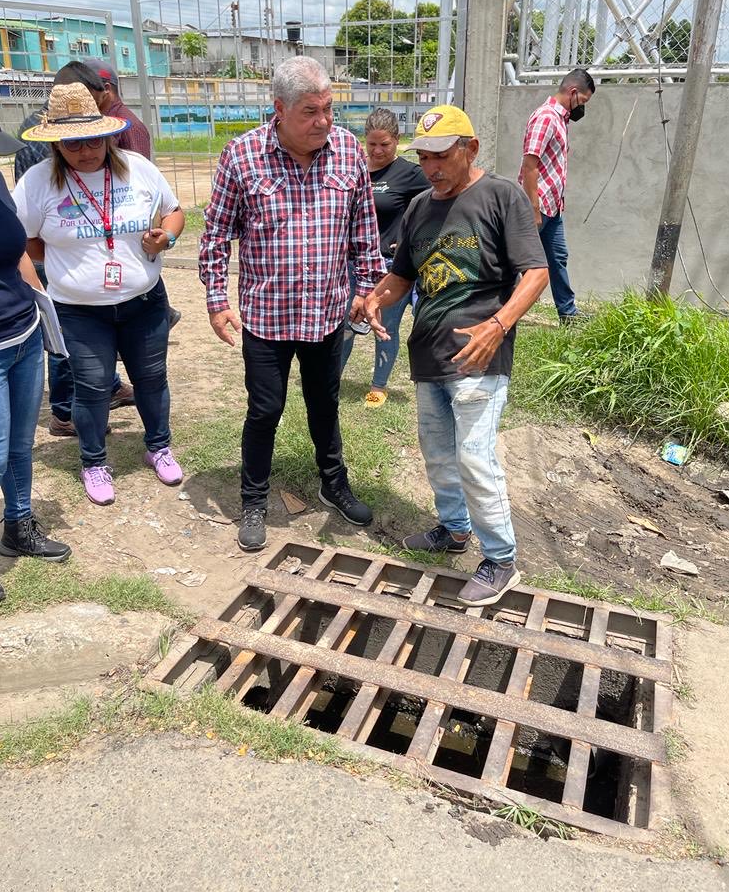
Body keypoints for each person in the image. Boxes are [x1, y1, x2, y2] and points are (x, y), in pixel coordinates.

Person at [362, 105, 549, 608]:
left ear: (471, 149)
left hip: (478, 355)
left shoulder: (501, 196)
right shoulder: (420, 206)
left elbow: (535, 273)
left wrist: (498, 325)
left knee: (474, 455)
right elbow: (403, 274)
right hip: (428, 352)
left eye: (441, 156)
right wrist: (377, 297)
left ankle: (501, 558)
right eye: (423, 158)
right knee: (440, 452)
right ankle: (453, 529)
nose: (431, 168)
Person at [200, 56, 386, 552]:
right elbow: (216, 235)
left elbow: (363, 232)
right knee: (266, 409)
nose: (323, 121)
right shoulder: (242, 156)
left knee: (325, 404)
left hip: (327, 312)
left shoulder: (348, 151)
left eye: (328, 109)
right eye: (310, 112)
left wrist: (367, 290)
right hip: (267, 315)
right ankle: (254, 498)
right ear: (278, 109)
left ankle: (333, 483)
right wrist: (218, 300)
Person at [13, 83, 185, 507]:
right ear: (56, 144)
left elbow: (173, 211)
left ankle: (158, 446)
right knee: (90, 388)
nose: (85, 151)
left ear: (107, 135)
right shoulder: (37, 183)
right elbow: (25, 239)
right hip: (79, 312)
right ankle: (93, 462)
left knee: (151, 378)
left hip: (144, 302)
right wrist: (62, 262)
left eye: (92, 140)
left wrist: (167, 238)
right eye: (72, 144)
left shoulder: (137, 167)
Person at [0, 86, 71, 608]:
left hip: (22, 337)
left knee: (18, 448)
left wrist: (43, 308)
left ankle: (18, 525)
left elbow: (15, 253)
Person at [14, 61, 136, 437]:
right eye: (72, 143)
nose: (84, 150)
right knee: (67, 343)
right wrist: (49, 256)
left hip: (89, 260)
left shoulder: (111, 160)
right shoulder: (38, 161)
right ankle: (66, 411)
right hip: (59, 257)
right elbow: (25, 228)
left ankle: (101, 389)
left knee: (86, 343)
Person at [82, 58, 182, 332]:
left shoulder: (128, 125)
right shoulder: (102, 122)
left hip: (128, 227)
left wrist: (158, 233)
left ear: (105, 89)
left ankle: (159, 314)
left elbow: (144, 187)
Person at [341, 108, 428, 408]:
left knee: (385, 328)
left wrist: (409, 243)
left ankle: (379, 385)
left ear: (397, 141)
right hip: (352, 265)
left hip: (389, 268)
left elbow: (435, 205)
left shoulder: (411, 174)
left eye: (385, 145)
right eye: (372, 144)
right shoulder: (356, 170)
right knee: (345, 326)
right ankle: (331, 379)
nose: (377, 151)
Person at [518, 68, 595, 324]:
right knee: (514, 261)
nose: (582, 108)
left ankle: (568, 313)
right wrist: (534, 208)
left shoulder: (560, 119)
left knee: (558, 258)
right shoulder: (546, 117)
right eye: (582, 101)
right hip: (538, 206)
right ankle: (500, 309)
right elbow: (530, 164)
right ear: (573, 92)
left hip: (553, 207)